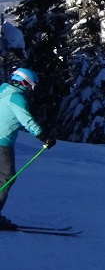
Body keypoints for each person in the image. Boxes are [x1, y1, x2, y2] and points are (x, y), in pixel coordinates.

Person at [0, 68, 56, 228]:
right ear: (24, 82)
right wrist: (44, 137)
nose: (31, 89)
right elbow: (27, 121)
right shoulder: (16, 98)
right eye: (31, 85)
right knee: (6, 177)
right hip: (2, 143)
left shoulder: (3, 90)